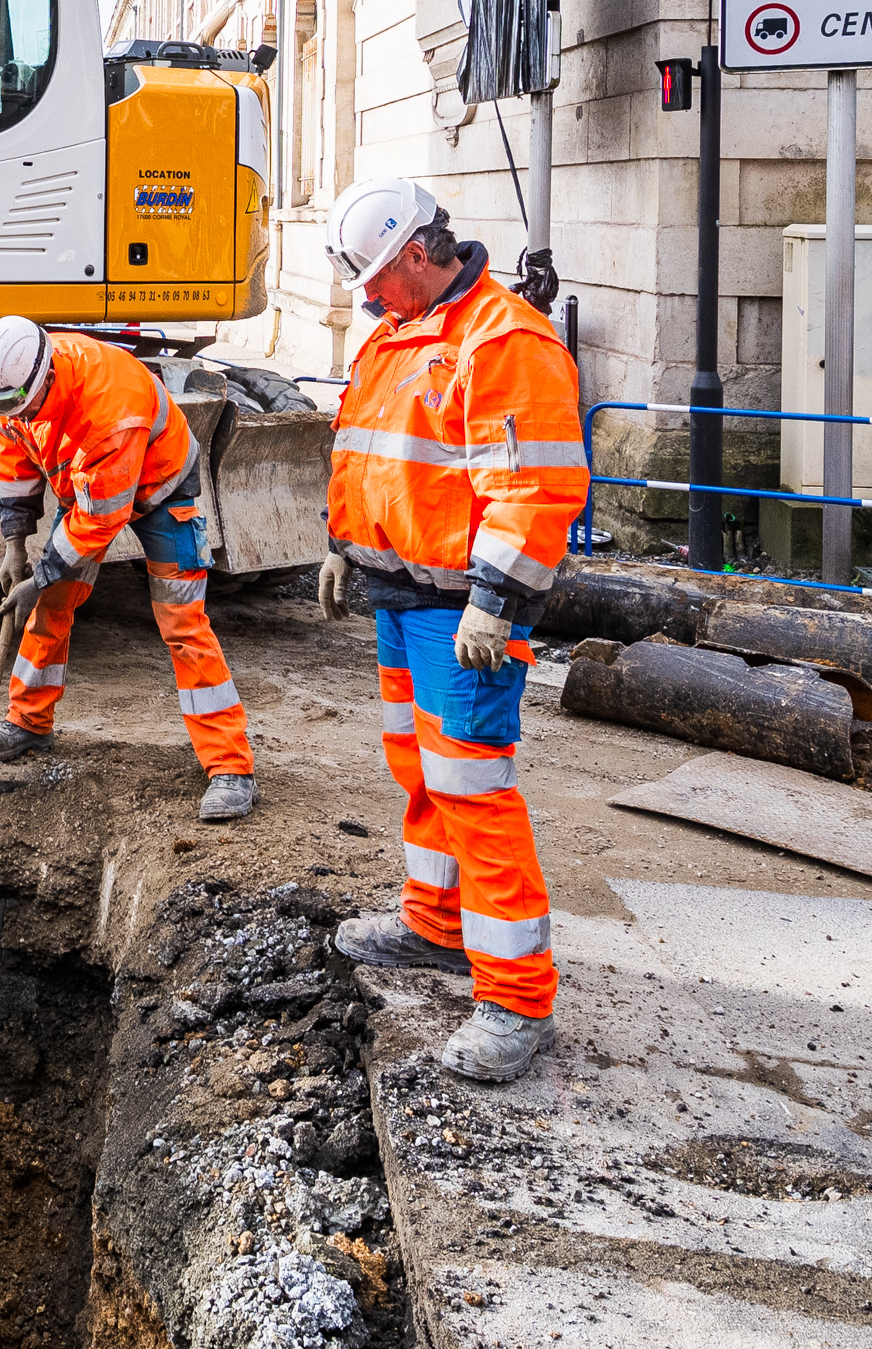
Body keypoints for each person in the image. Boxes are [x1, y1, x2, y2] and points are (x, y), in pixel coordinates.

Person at [312, 178, 588, 1085]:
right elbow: (376, 455)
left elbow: (535, 485)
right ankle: (435, 924)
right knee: (418, 768)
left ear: (416, 258)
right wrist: (344, 546)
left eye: (375, 282)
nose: (366, 300)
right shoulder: (403, 332)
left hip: (460, 608)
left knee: (471, 785)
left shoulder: (502, 339)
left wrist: (495, 601)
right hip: (402, 593)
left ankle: (515, 999)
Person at [0, 315, 256, 823]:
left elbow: (102, 518)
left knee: (182, 623)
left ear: (46, 382)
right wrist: (15, 545)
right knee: (52, 604)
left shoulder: (109, 406)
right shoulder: (9, 382)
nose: (10, 416)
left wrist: (42, 573)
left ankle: (230, 766)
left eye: (17, 408)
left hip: (161, 486)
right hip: (89, 487)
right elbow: (11, 457)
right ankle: (28, 721)